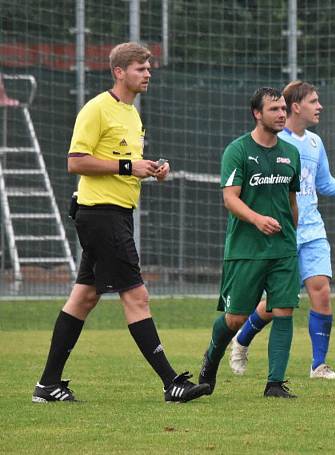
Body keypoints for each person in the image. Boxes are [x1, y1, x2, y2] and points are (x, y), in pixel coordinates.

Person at [32, 42, 209, 403]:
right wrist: (130, 167)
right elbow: (75, 162)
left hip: (115, 215)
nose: (148, 74)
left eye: (148, 68)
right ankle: (171, 382)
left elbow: (128, 162)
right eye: (140, 68)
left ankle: (47, 385)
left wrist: (152, 170)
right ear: (119, 71)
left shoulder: (132, 113)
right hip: (101, 215)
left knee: (83, 298)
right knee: (137, 295)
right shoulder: (96, 109)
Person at [228, 80, 335, 380]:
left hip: (313, 229)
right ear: (296, 106)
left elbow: (325, 184)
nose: (320, 107)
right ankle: (241, 339)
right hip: (281, 232)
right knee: (276, 304)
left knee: (322, 291)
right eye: (314, 101)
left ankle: (319, 365)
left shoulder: (315, 143)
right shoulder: (275, 142)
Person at [198, 87, 302, 399]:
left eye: (284, 108)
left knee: (283, 309)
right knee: (236, 318)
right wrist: (257, 219)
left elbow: (292, 201)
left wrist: (290, 235)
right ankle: (211, 360)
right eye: (274, 109)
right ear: (257, 114)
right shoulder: (238, 151)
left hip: (282, 249)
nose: (282, 114)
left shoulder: (291, 153)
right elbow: (230, 199)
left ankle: (274, 384)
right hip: (246, 249)